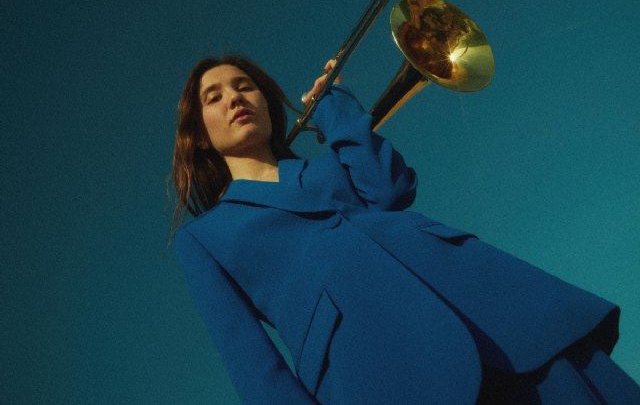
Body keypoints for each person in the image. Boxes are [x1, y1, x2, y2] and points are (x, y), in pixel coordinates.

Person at [171, 55, 640, 404]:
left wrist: (333, 105)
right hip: (374, 369)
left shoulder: (332, 165)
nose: (235, 98)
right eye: (214, 97)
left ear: (266, 104)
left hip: (485, 305)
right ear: (200, 135)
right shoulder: (202, 238)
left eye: (245, 86)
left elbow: (390, 189)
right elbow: (252, 364)